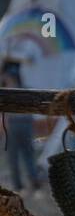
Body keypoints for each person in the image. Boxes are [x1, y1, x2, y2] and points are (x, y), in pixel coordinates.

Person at [1, 60, 38, 192]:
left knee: (24, 154)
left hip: (21, 123)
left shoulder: (17, 88)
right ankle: (21, 184)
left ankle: (31, 181)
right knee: (15, 156)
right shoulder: (11, 88)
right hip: (16, 124)